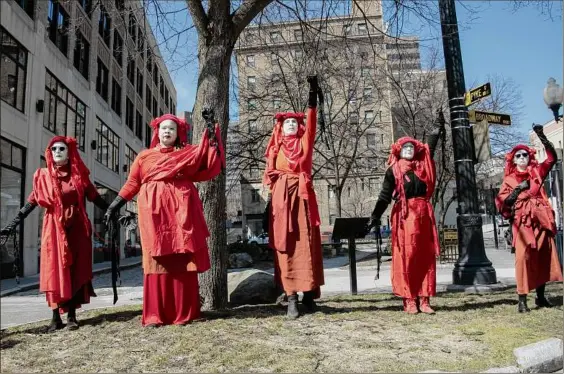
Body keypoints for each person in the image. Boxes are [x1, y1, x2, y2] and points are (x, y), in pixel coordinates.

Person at [104, 114, 224, 327]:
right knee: (156, 258)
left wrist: (210, 130)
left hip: (182, 211)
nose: (167, 131)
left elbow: (209, 159)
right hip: (153, 213)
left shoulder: (188, 153)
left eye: (172, 129)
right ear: (157, 132)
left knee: (182, 257)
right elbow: (132, 183)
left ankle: (184, 313)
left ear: (178, 134)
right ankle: (155, 315)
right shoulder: (144, 156)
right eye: (163, 128)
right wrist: (114, 206)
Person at [1, 136, 109, 331]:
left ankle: (72, 316)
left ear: (69, 154)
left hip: (76, 228)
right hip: (54, 228)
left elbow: (94, 197)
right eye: (53, 149)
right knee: (54, 270)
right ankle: (54, 317)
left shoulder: (78, 176)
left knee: (75, 270)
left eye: (61, 149)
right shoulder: (42, 176)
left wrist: (112, 210)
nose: (57, 152)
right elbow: (32, 202)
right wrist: (13, 224)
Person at [366, 114, 445, 314]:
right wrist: (375, 216)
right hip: (405, 215)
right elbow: (385, 195)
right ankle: (410, 299)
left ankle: (424, 299)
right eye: (405, 148)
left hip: (424, 214)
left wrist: (436, 129)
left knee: (426, 257)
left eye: (412, 147)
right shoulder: (393, 170)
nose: (409, 150)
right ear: (399, 152)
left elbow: (430, 150)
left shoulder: (423, 167)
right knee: (408, 257)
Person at [262, 75, 324, 319]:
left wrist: (312, 95)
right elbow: (269, 179)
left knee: (308, 245)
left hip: (303, 199)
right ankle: (291, 299)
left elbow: (311, 122)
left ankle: (309, 295)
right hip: (281, 201)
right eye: (286, 122)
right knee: (285, 247)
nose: (290, 124)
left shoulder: (305, 143)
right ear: (280, 127)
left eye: (293, 122)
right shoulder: (274, 150)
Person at [495, 124, 562, 313]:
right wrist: (517, 190)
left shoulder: (536, 173)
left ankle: (540, 297)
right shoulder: (508, 180)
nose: (522, 158)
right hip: (522, 224)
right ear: (513, 160)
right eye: (518, 155)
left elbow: (551, 158)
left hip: (540, 220)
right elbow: (502, 203)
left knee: (542, 256)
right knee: (523, 259)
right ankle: (522, 299)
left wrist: (541, 136)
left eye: (525, 154)